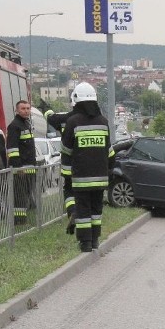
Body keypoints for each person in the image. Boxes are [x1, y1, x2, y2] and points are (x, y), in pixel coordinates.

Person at [61, 82, 115, 252]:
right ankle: (95, 241)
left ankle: (85, 243)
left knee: (83, 211)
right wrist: (109, 170)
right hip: (100, 177)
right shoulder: (103, 121)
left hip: (81, 178)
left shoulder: (72, 122)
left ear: (76, 100)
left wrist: (67, 175)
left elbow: (66, 151)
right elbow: (109, 151)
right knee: (96, 211)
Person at [47, 105, 80, 234]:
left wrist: (48, 112)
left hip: (68, 164)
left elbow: (50, 118)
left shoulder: (64, 119)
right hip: (86, 164)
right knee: (84, 193)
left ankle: (72, 212)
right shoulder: (90, 119)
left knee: (69, 190)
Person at [6, 100, 37, 224]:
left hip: (29, 168)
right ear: (17, 110)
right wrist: (18, 167)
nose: (26, 111)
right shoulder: (14, 126)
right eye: (23, 108)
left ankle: (23, 220)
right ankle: (19, 222)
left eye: (28, 108)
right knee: (19, 196)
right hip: (20, 169)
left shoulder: (26, 125)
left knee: (26, 195)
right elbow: (12, 149)